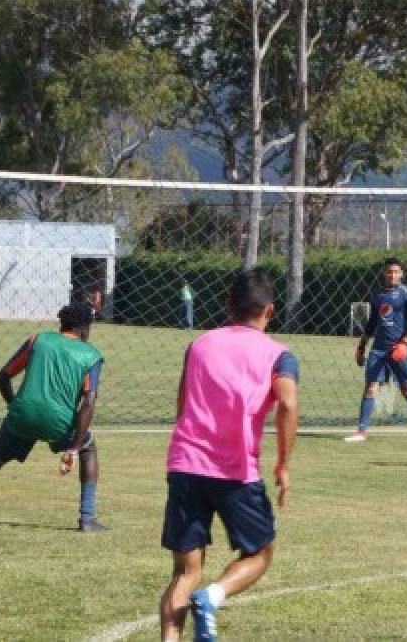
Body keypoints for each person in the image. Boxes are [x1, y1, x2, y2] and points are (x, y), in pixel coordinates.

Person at [160, 268, 299, 642]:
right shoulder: (279, 356)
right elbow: (287, 403)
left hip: (186, 465)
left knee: (184, 573)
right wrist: (284, 464)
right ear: (269, 311)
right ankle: (214, 595)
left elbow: (181, 404)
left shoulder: (199, 345)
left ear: (227, 305)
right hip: (237, 471)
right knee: (260, 553)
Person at [0, 304, 107, 532]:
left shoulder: (39, 340)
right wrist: (74, 449)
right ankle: (87, 518)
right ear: (85, 330)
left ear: (62, 325)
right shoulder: (91, 355)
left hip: (21, 416)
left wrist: (14, 407)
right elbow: (88, 404)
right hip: (58, 423)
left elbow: (2, 377)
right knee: (89, 449)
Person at [346, 257, 407, 442]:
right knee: (370, 388)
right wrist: (361, 347)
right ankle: (361, 432)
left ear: (401, 274)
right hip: (378, 350)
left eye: (396, 271)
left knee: (406, 389)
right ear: (384, 273)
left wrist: (404, 343)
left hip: (398, 350)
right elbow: (372, 323)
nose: (392, 275)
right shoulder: (377, 295)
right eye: (389, 271)